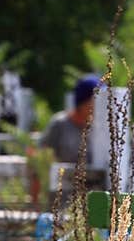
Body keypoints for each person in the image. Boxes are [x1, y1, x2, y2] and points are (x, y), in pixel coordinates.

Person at [37, 74, 105, 203]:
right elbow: (41, 162)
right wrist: (37, 204)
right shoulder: (60, 124)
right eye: (96, 99)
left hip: (90, 202)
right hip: (60, 201)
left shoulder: (101, 130)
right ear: (83, 102)